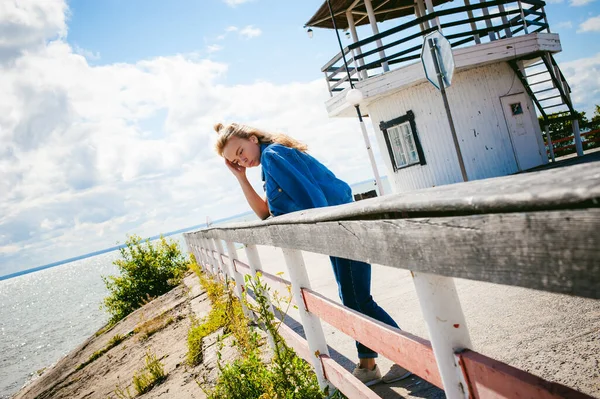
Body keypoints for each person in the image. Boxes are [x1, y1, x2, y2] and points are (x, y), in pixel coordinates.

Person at [214, 122, 411, 386]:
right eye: (235, 159)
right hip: (337, 229)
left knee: (357, 298)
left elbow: (314, 199)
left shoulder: (273, 156)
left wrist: (320, 235)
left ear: (252, 138)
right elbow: (264, 213)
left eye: (241, 150)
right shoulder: (271, 162)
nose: (242, 159)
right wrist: (241, 177)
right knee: (353, 297)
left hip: (341, 228)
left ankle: (405, 357)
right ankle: (368, 364)